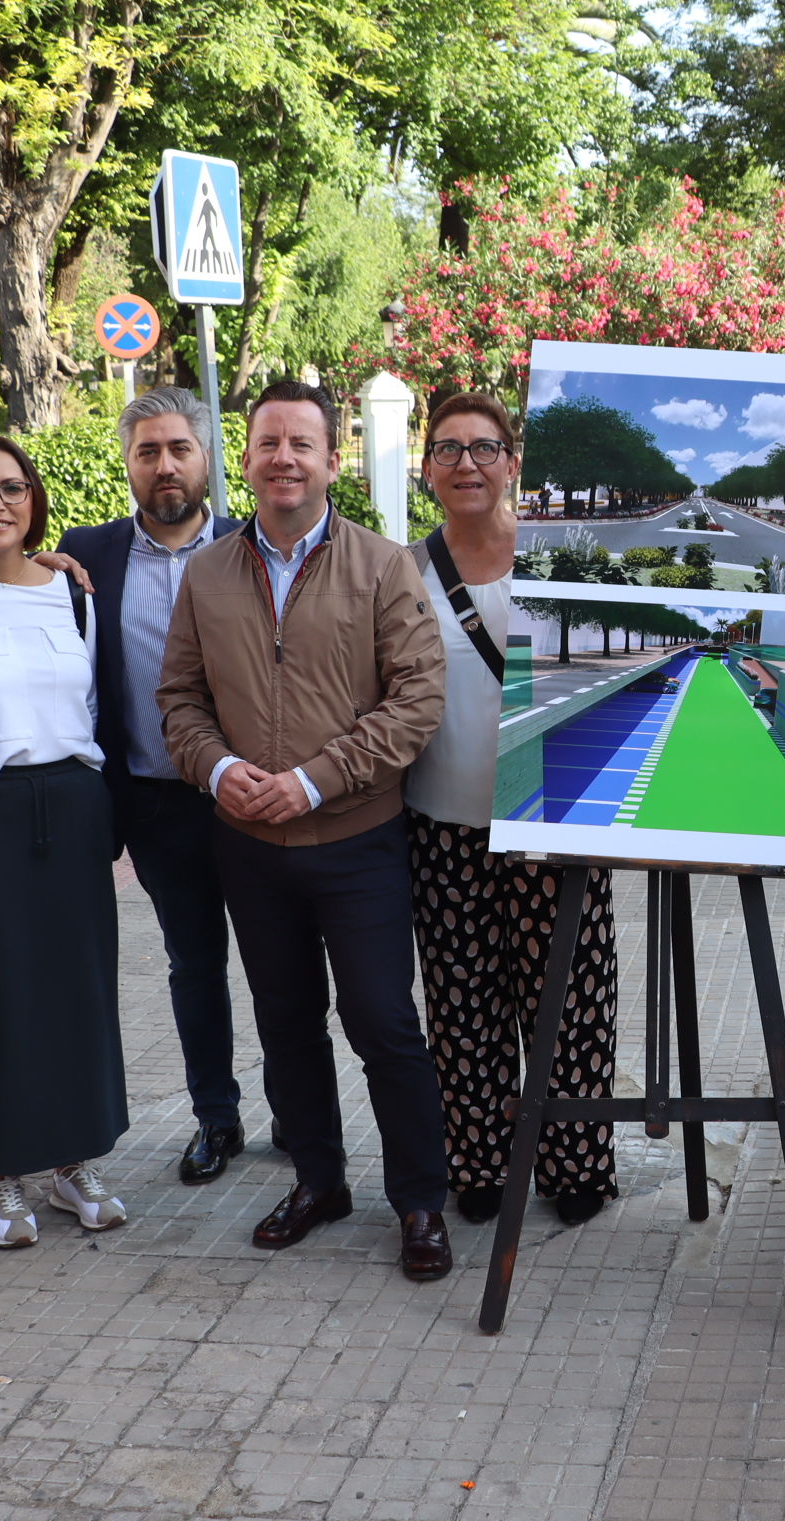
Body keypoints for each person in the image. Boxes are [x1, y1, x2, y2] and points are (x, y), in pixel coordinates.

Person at [157, 380, 453, 1278]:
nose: (283, 457)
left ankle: (419, 1202)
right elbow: (179, 699)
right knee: (285, 1023)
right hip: (248, 846)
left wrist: (314, 783)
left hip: (357, 842)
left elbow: (418, 701)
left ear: (334, 459)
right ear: (243, 459)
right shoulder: (206, 573)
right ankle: (319, 1181)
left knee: (382, 1023)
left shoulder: (383, 565)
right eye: (267, 442)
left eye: (302, 443)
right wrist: (218, 771)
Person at [404, 393, 622, 1227]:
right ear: (427, 469)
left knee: (570, 999)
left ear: (513, 463)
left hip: (558, 823)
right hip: (442, 820)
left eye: (484, 448)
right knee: (462, 1005)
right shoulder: (405, 568)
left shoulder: (563, 560)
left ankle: (575, 1163)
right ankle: (481, 1163)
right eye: (449, 449)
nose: (466, 463)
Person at [0, 436, 129, 1247]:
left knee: (80, 990)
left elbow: (100, 705)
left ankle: (72, 1158)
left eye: (12, 488)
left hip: (75, 806)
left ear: (34, 500)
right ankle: (1, 1172)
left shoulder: (72, 593)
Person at [57, 390, 249, 1184]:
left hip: (258, 798)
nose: (164, 466)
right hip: (156, 802)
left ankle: (310, 1127)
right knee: (194, 964)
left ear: (208, 460)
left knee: (284, 969)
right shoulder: (85, 557)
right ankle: (218, 1117)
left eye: (179, 449)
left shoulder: (253, 545)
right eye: (147, 452)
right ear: (129, 465)